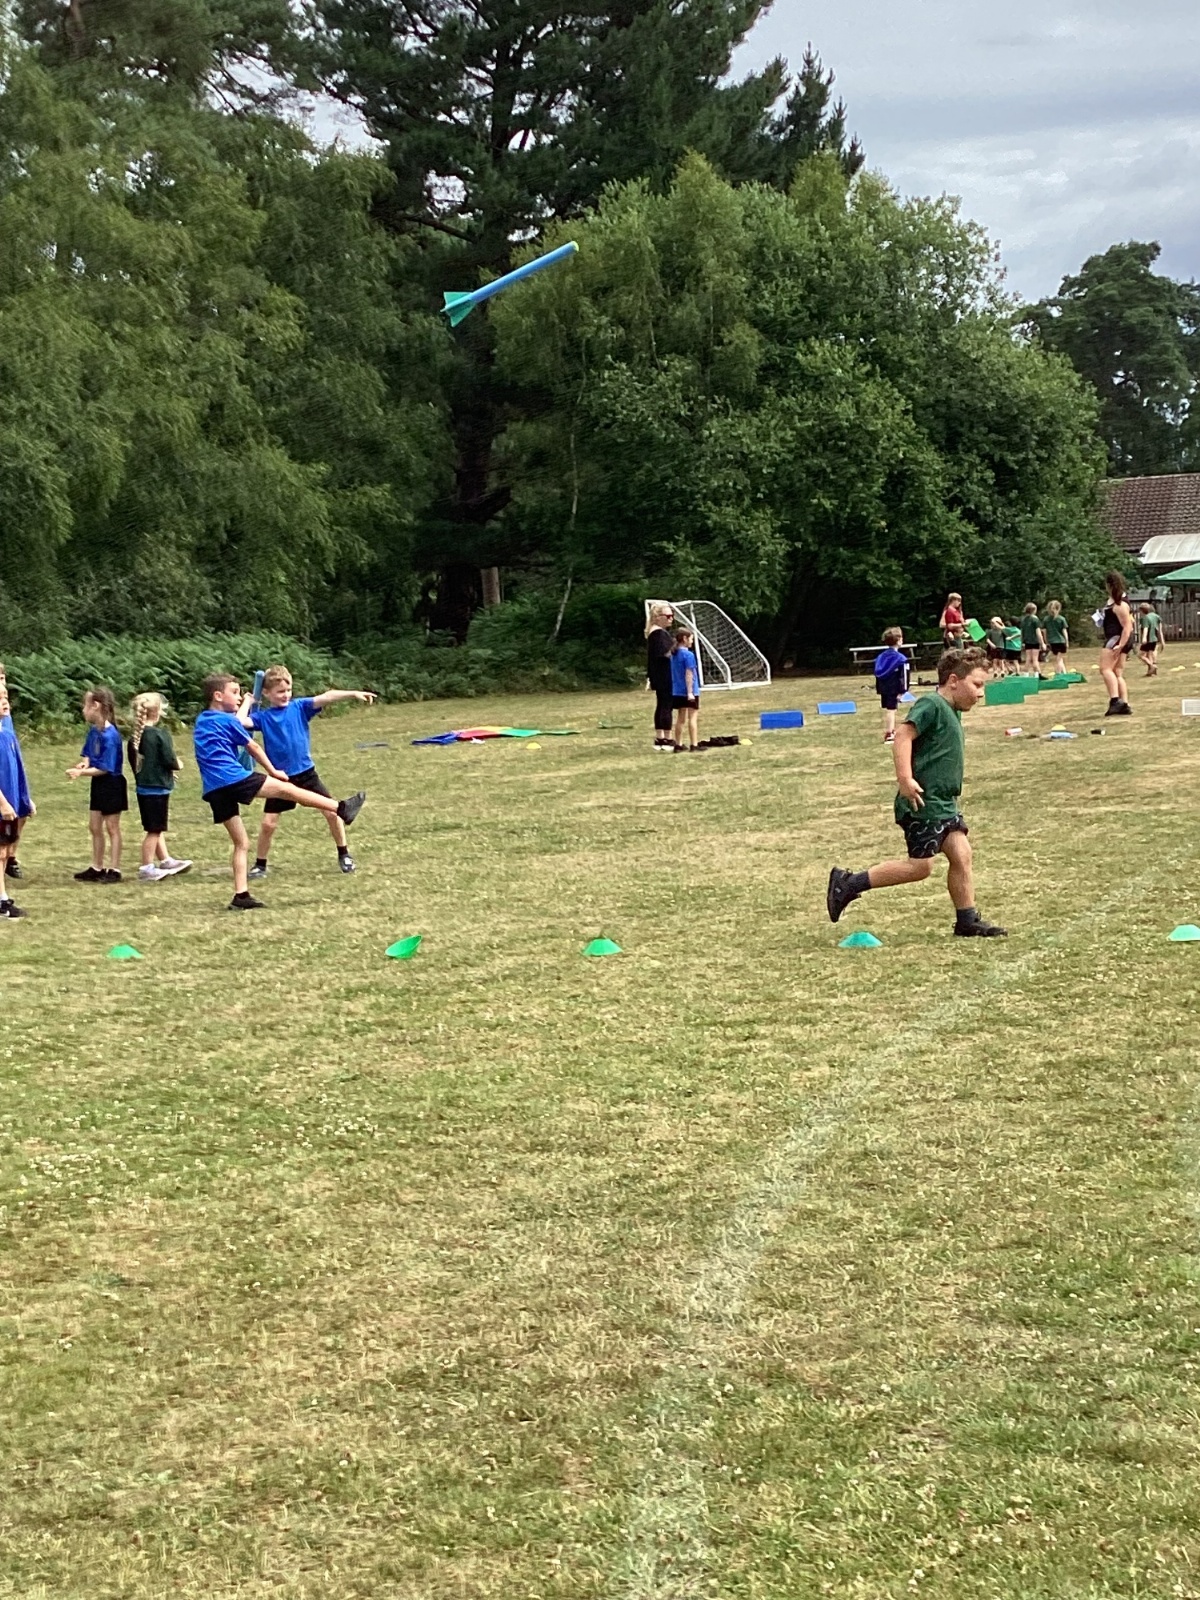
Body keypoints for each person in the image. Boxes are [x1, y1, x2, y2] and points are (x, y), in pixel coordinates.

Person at [826, 646, 1007, 939]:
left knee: (962, 854)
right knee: (920, 868)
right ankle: (848, 884)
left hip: (943, 802)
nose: (981, 693)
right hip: (923, 802)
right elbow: (902, 735)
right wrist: (905, 779)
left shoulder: (950, 709)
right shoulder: (932, 704)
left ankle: (967, 920)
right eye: (977, 684)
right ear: (953, 680)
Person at [193, 673, 366, 911]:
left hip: (214, 788)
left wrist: (246, 703)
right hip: (233, 778)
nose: (238, 696)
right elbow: (253, 746)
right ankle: (341, 808)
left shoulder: (203, 720)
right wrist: (273, 771)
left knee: (241, 843)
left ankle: (241, 896)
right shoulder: (228, 721)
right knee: (288, 790)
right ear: (218, 696)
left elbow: (234, 728)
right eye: (234, 692)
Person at [242, 666, 377, 878]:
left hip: (306, 773)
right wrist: (248, 703)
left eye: (288, 690)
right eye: (280, 691)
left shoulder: (299, 707)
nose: (285, 695)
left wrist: (352, 693)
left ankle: (344, 854)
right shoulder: (264, 718)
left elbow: (327, 696)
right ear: (266, 693)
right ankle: (260, 865)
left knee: (332, 813)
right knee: (268, 824)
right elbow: (239, 722)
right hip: (281, 778)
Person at [127, 693, 192, 882]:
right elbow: (170, 760)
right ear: (157, 712)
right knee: (154, 830)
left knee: (155, 826)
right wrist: (178, 765)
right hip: (158, 789)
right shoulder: (159, 735)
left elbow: (138, 764)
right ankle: (146, 867)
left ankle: (165, 860)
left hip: (144, 788)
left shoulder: (135, 739)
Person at [66, 687, 126, 883]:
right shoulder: (94, 731)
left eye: (85, 705)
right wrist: (84, 763)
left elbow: (105, 768)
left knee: (112, 827)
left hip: (112, 784)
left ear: (96, 706)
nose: (83, 709)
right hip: (99, 783)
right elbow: (88, 754)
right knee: (94, 826)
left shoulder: (111, 735)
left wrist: (80, 772)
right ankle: (97, 867)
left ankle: (114, 869)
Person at [0, 687, 33, 918]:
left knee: (3, 852)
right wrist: (2, 804)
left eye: (5, 697)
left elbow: (18, 770)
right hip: (2, 806)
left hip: (10, 807)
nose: (5, 702)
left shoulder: (7, 735)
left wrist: (25, 798)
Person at [0, 664, 28, 880]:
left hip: (10, 771)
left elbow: (12, 746)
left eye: (2, 678)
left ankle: (11, 856)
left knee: (21, 812)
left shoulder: (5, 714)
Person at [1099, 571, 1134, 715]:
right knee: (1117, 672)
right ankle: (1124, 703)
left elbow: (1127, 626)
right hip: (1120, 638)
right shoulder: (1116, 600)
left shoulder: (1120, 604)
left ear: (1109, 585)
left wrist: (1121, 644)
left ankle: (1115, 700)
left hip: (1116, 638)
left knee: (1105, 669)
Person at [645, 603, 676, 751]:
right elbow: (664, 654)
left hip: (659, 674)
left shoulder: (655, 633)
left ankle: (660, 737)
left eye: (672, 616)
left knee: (662, 704)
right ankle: (666, 738)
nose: (671, 619)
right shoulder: (658, 634)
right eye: (668, 616)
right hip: (664, 674)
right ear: (658, 617)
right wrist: (676, 648)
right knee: (666, 705)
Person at [873, 627, 910, 744]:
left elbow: (877, 672)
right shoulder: (901, 659)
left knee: (889, 710)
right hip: (894, 688)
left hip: (884, 687)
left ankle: (891, 729)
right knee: (891, 710)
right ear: (898, 641)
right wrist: (903, 691)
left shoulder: (881, 657)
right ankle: (890, 733)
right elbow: (904, 676)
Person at [670, 627, 701, 752]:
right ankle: (694, 744)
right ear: (685, 639)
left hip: (677, 691)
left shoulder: (673, 655)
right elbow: (689, 674)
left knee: (680, 718)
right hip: (689, 691)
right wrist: (690, 692)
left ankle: (678, 744)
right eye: (691, 639)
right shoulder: (688, 655)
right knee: (692, 718)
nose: (692, 641)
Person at [1042, 600, 1070, 675]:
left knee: (1058, 658)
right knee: (1059, 659)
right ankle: (1058, 673)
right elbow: (1064, 631)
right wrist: (1067, 641)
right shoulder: (1061, 619)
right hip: (1061, 641)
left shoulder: (1046, 619)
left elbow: (1044, 632)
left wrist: (1046, 641)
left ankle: (1064, 673)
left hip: (1052, 641)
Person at [1020, 602, 1046, 677]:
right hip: (1034, 641)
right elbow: (1038, 632)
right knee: (1035, 659)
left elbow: (1022, 632)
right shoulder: (1035, 620)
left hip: (1027, 642)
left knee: (1028, 659)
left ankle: (1026, 675)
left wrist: (1022, 642)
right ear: (1034, 610)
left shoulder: (1024, 620)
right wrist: (1042, 643)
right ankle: (1037, 675)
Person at [1138, 601, 1162, 676]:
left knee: (1141, 655)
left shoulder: (1145, 618)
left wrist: (1144, 638)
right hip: (1154, 639)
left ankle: (1152, 666)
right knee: (1150, 655)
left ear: (1142, 610)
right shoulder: (1154, 616)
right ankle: (1151, 672)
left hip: (1148, 639)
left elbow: (1146, 628)